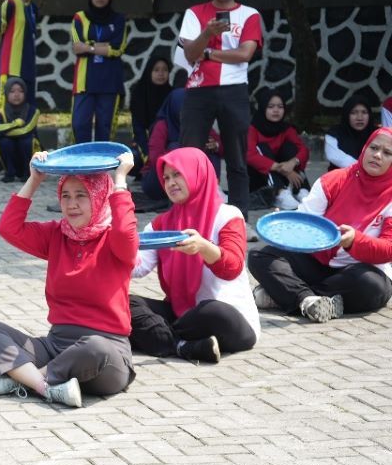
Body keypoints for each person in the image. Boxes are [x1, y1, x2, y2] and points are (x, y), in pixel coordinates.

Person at [0, 152, 138, 408]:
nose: (71, 204)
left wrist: (119, 180)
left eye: (81, 195)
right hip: (55, 345)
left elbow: (126, 230)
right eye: (65, 196)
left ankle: (24, 379)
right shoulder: (56, 234)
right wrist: (35, 179)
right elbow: (8, 228)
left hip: (105, 357)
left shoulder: (115, 240)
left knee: (96, 347)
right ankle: (44, 386)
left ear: (99, 197)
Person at [249, 127, 392, 323]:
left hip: (357, 272)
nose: (377, 155)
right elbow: (303, 224)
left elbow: (388, 248)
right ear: (364, 148)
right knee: (259, 255)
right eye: (373, 147)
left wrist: (354, 241)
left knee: (373, 287)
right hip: (316, 261)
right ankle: (307, 300)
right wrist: (283, 228)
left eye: (387, 153)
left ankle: (288, 294)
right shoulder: (334, 179)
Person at [130, 147, 259, 363]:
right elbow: (139, 266)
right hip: (182, 315)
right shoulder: (161, 224)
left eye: (177, 174)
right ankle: (182, 346)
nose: (170, 183)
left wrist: (203, 247)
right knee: (123, 304)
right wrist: (113, 249)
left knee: (212, 310)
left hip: (228, 320)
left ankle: (156, 337)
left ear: (197, 173)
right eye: (166, 177)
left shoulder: (228, 215)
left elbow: (233, 267)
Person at [175, 0, 263, 225]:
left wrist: (208, 51)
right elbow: (190, 54)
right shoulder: (194, 13)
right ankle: (189, 218)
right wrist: (206, 33)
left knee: (237, 157)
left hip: (234, 89)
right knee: (190, 156)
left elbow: (245, 54)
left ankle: (238, 221)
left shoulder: (250, 14)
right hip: (199, 90)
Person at [137, 87, 222, 206]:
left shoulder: (197, 123)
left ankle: (210, 189)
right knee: (175, 148)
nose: (186, 111)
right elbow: (155, 158)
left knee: (210, 148)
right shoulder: (162, 126)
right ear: (175, 106)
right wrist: (182, 158)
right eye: (183, 107)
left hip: (186, 179)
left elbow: (222, 146)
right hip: (159, 180)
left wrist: (216, 145)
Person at [70, 0, 128, 144]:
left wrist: (89, 47)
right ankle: (83, 168)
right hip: (84, 82)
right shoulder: (79, 18)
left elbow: (117, 49)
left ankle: (103, 170)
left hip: (110, 81)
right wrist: (103, 47)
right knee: (79, 125)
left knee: (105, 128)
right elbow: (77, 47)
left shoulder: (119, 19)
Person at [246, 88, 310, 210]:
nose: (276, 110)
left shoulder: (286, 129)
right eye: (271, 107)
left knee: (290, 148)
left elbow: (304, 150)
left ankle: (301, 190)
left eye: (280, 107)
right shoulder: (253, 129)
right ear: (263, 108)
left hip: (283, 175)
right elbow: (250, 155)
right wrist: (282, 169)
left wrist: (292, 163)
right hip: (259, 180)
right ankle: (280, 194)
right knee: (262, 148)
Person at [0, 0, 40, 105]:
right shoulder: (10, 3)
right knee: (6, 115)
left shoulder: (32, 7)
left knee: (28, 113)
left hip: (28, 70)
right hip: (10, 70)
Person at [0, 76, 40, 183]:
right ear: (7, 93)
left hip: (28, 151)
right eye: (12, 91)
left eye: (20, 91)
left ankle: (28, 173)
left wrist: (5, 131)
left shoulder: (33, 111)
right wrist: (15, 124)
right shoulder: (0, 112)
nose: (17, 95)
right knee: (4, 142)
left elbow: (26, 131)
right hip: (9, 151)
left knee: (26, 141)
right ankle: (9, 173)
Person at [129, 54, 173, 167]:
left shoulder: (172, 95)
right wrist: (148, 153)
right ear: (149, 72)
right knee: (133, 157)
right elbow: (138, 128)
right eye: (156, 70)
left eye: (165, 70)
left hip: (167, 143)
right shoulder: (139, 93)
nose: (161, 73)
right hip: (144, 142)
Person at [325, 96, 378, 170]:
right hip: (341, 178)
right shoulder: (334, 133)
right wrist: (362, 168)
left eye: (364, 112)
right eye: (353, 113)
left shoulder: (378, 134)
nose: (359, 118)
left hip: (372, 179)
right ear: (346, 114)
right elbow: (333, 156)